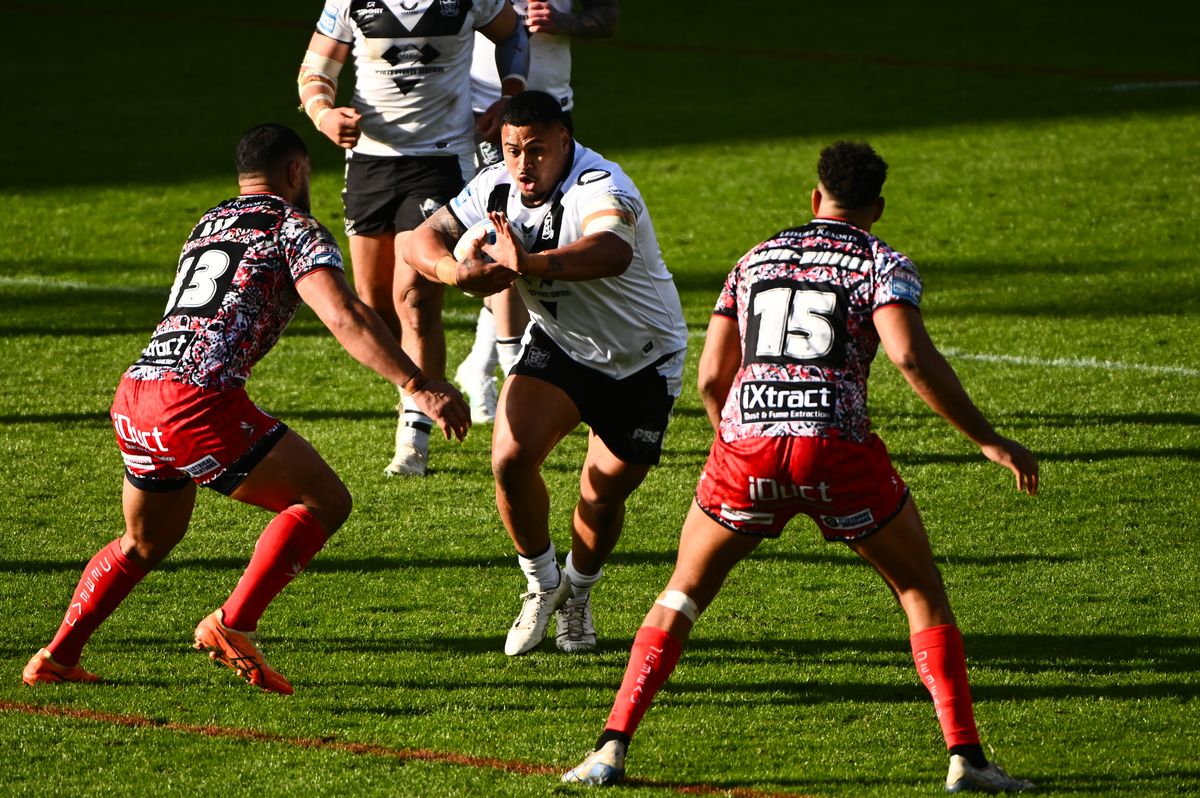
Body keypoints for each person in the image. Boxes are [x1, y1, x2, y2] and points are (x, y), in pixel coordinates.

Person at [561, 141, 1039, 792]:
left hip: (746, 444)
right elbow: (910, 357)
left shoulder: (756, 258)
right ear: (876, 207)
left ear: (816, 198)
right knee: (919, 589)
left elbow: (710, 376)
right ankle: (966, 759)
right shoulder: (881, 262)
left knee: (683, 591)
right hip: (834, 444)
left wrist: (734, 437)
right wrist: (987, 439)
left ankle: (610, 748)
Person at [21, 123, 470, 694]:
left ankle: (57, 657)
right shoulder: (295, 229)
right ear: (297, 171)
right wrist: (417, 382)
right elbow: (343, 316)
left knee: (144, 543)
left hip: (135, 394)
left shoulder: (207, 222)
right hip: (195, 401)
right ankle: (232, 624)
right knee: (325, 500)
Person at [405, 90, 688, 657]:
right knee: (509, 459)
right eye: (511, 150)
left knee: (602, 493)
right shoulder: (494, 185)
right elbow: (418, 238)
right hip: (559, 346)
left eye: (536, 150)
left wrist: (526, 264)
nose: (522, 164)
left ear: (565, 142)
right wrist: (452, 271)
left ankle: (579, 593)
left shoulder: (603, 185)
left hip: (642, 360)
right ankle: (541, 586)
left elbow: (611, 252)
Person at [298, 0, 529, 476]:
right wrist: (323, 115)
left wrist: (510, 94)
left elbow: (513, 33)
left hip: (441, 159)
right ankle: (418, 393)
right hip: (369, 162)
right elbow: (315, 69)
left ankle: (413, 441)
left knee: (416, 299)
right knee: (376, 303)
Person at [454, 0, 620, 424]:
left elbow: (606, 18)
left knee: (537, 239)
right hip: (485, 109)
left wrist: (564, 21)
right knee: (500, 239)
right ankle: (511, 370)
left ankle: (482, 365)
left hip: (552, 109)